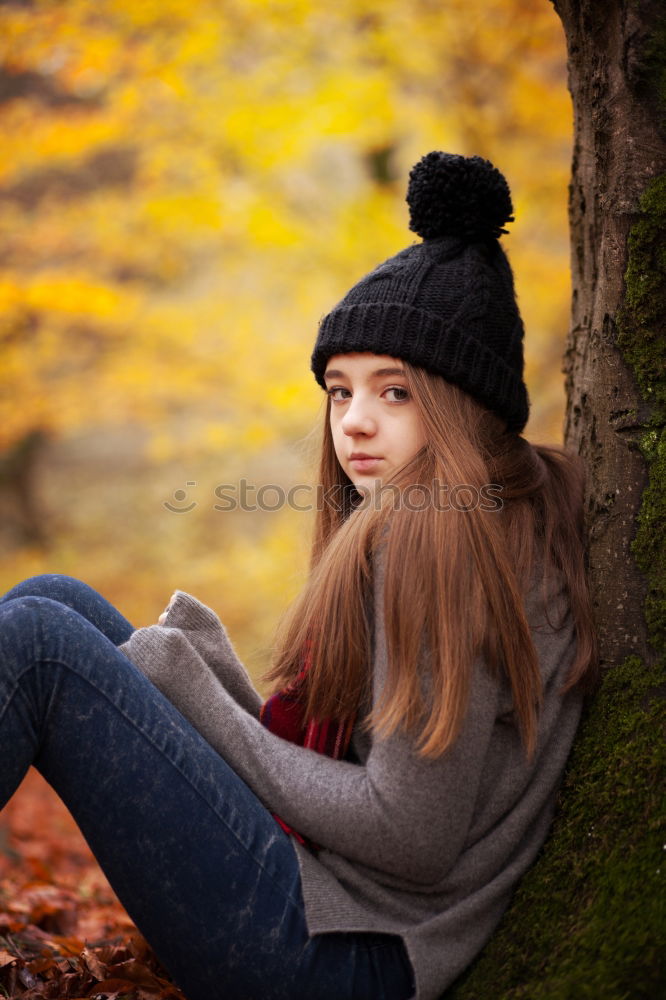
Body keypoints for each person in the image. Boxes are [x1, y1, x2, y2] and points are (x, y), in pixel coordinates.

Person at [0, 151, 598, 1000]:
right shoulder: (494, 517)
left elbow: (411, 834)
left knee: (39, 642)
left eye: (396, 393)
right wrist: (218, 693)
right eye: (339, 389)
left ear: (467, 404)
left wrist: (210, 709)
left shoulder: (441, 547)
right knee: (54, 601)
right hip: (346, 919)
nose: (354, 422)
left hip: (341, 956)